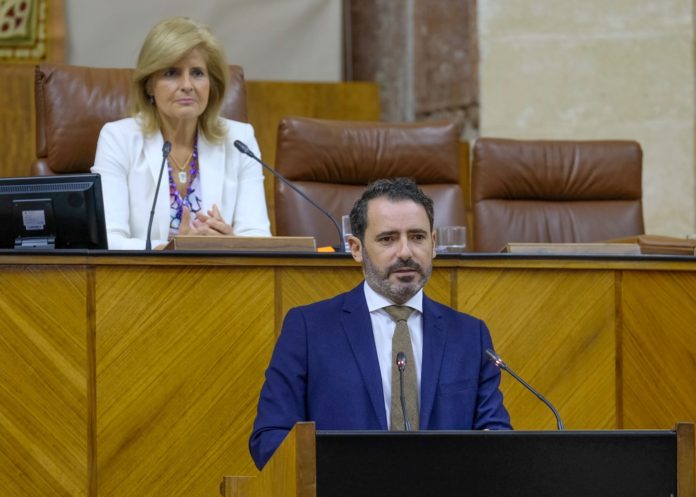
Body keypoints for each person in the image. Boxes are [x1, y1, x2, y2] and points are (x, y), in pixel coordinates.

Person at [249, 177, 511, 470]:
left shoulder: (469, 335)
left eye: (417, 237)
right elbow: (270, 438)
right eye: (388, 239)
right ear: (356, 248)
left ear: (434, 244)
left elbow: (496, 434)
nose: (405, 252)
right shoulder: (309, 329)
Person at [92, 17, 271, 250]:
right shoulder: (118, 139)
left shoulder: (239, 140)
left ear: (211, 84)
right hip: (142, 281)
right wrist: (173, 249)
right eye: (171, 73)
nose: (187, 84)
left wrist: (229, 244)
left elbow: (259, 236)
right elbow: (108, 239)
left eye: (197, 73)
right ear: (149, 84)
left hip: (222, 280)